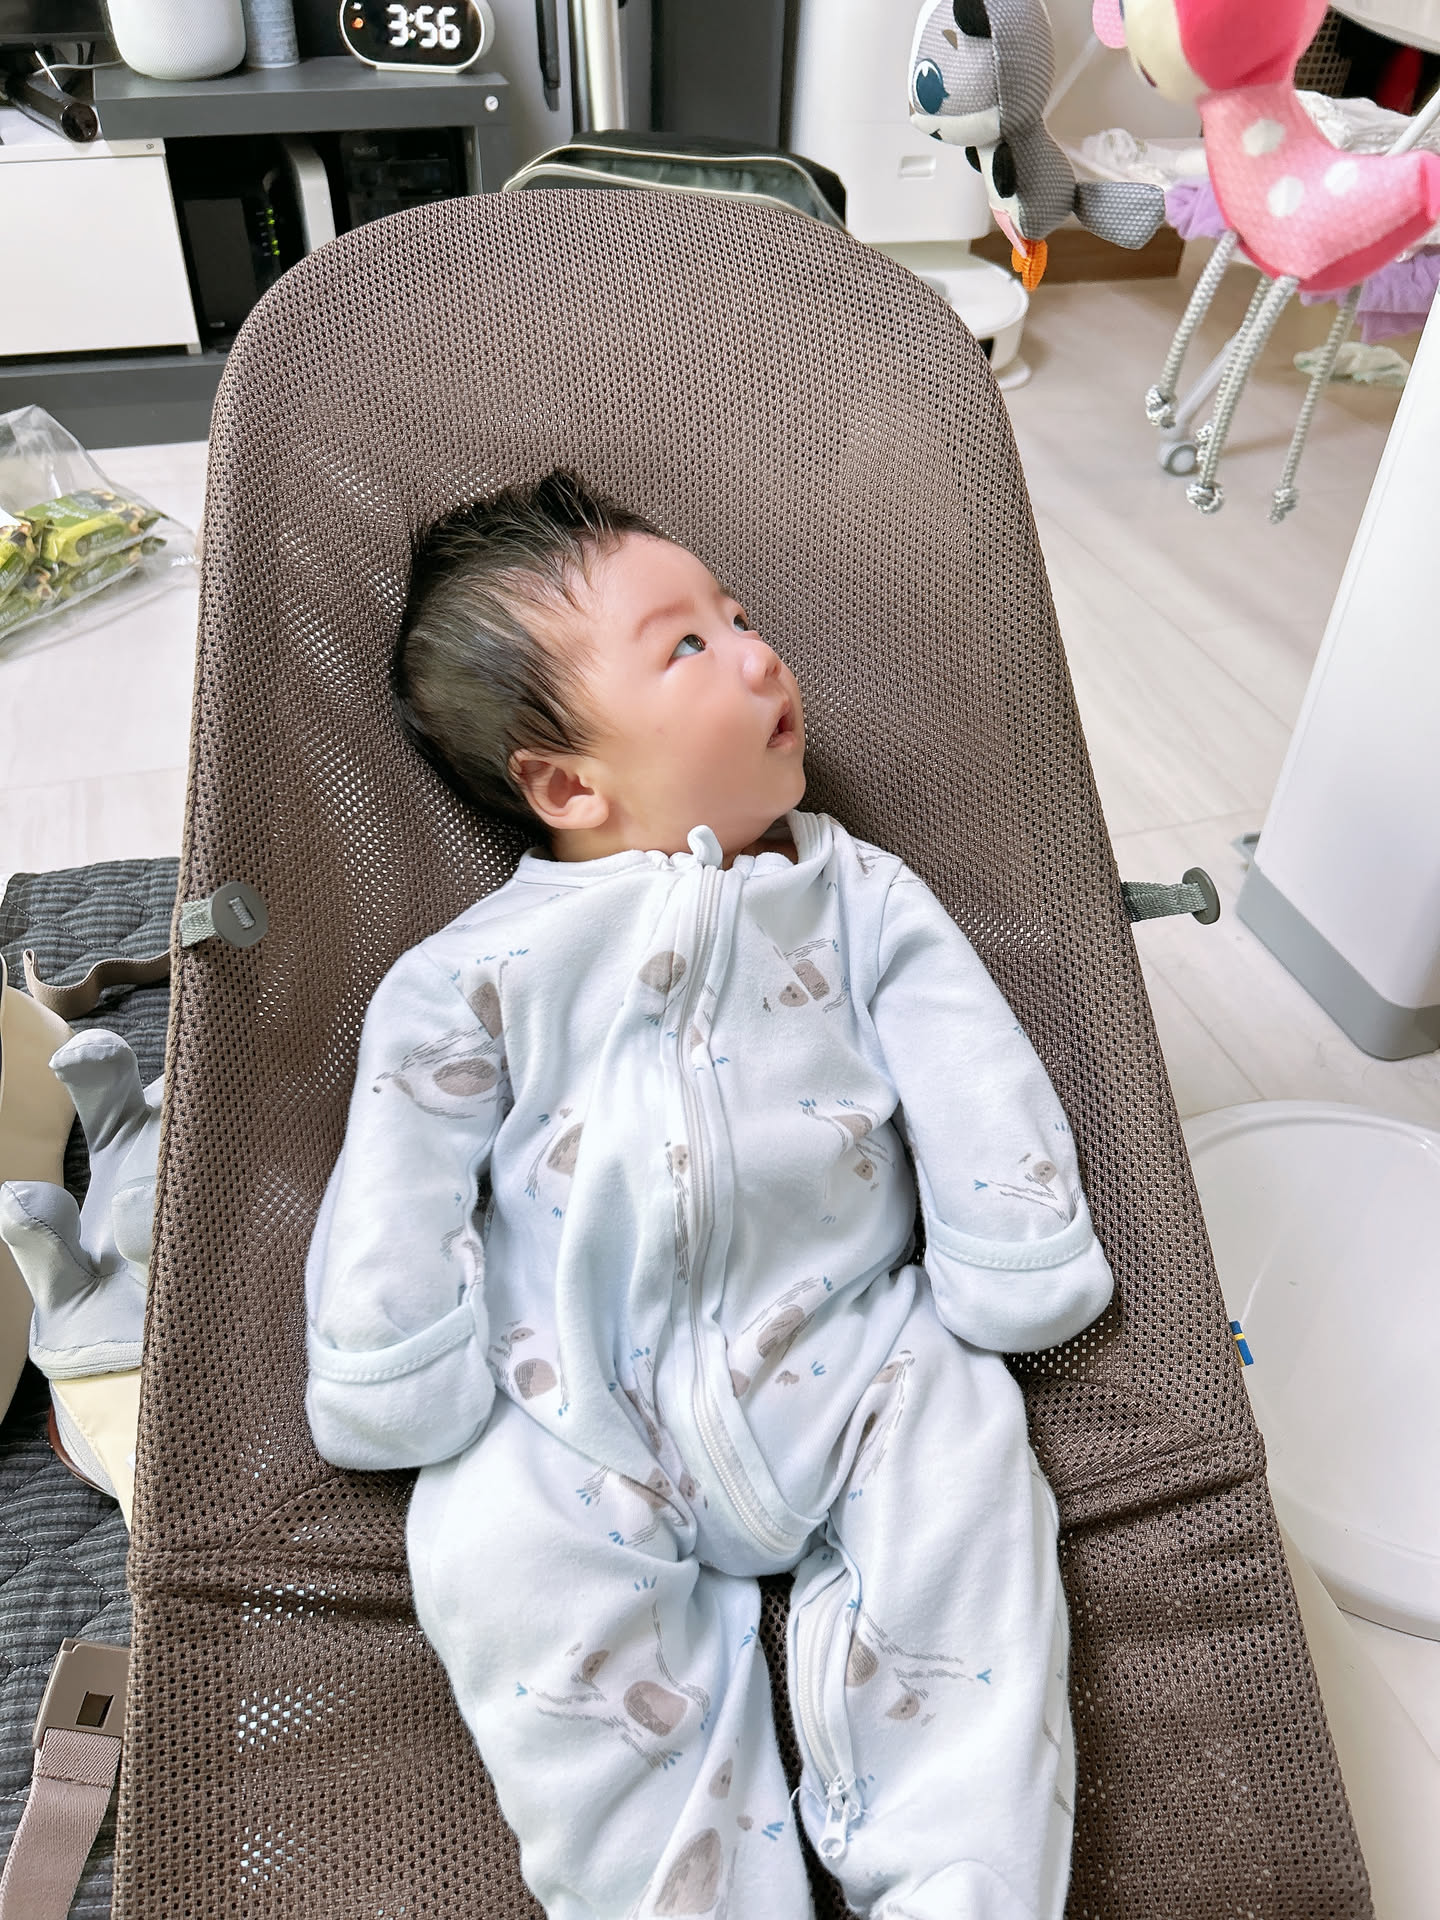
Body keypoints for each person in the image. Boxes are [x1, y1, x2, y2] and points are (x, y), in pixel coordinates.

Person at [304, 467, 1115, 1920]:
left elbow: (969, 1061)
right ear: (568, 784)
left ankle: (962, 1877)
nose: (757, 652)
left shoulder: (859, 895)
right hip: (575, 1409)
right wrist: (391, 1356)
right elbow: (397, 1165)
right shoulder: (476, 970)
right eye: (687, 644)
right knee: (494, 1548)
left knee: (968, 1476)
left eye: (739, 616)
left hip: (854, 1361)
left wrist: (1016, 1247)